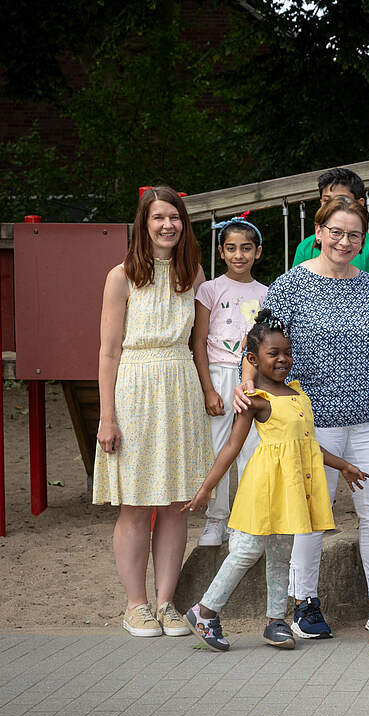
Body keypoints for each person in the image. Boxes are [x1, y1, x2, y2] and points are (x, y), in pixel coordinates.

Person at [233, 196, 369, 639]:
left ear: (364, 240)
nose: (343, 241)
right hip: (310, 420)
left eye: (354, 234)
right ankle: (305, 603)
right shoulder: (290, 286)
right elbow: (257, 343)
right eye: (335, 231)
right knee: (310, 514)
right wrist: (248, 387)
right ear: (319, 232)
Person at [183, 310, 368, 651]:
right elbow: (230, 448)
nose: (283, 359)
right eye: (273, 354)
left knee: (282, 554)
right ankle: (205, 610)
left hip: (290, 491)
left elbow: (309, 446)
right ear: (253, 359)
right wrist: (206, 488)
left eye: (287, 352)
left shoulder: (297, 394)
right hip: (264, 488)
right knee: (247, 550)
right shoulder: (255, 401)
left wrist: (344, 465)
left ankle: (275, 621)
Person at [95, 186, 214, 638]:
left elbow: (200, 342)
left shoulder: (193, 273)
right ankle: (135, 604)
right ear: (143, 224)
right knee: (136, 503)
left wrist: (208, 391)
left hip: (180, 385)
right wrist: (108, 416)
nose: (168, 225)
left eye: (175, 218)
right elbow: (108, 352)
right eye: (158, 218)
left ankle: (166, 602)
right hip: (136, 388)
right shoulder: (121, 276)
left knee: (174, 504)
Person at [191, 216, 267, 547]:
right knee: (218, 449)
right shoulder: (209, 290)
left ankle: (243, 521)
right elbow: (199, 342)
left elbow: (265, 342)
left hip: (251, 377)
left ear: (258, 252)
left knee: (251, 449)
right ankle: (216, 520)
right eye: (232, 248)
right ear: (221, 252)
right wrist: (208, 388)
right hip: (219, 374)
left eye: (246, 248)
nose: (239, 255)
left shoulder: (267, 293)